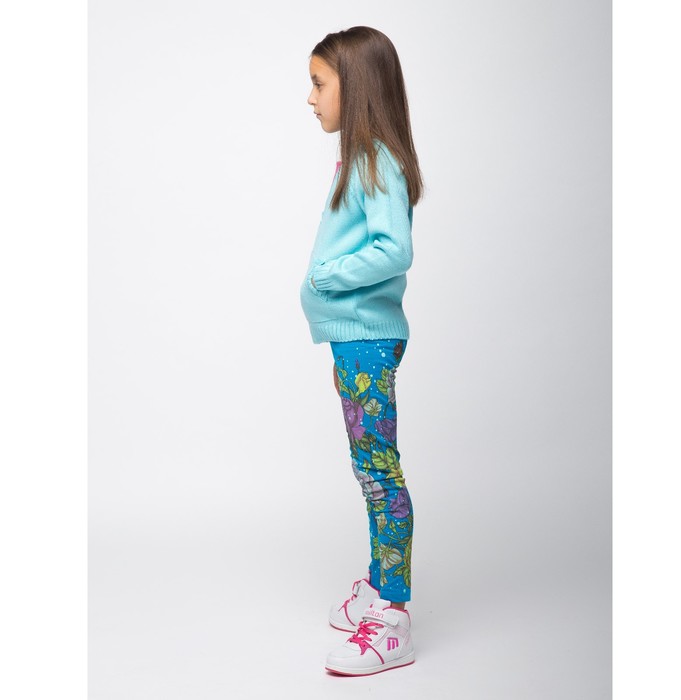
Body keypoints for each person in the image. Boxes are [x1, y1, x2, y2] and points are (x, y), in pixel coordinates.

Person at [300, 26, 424, 676]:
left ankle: (394, 615)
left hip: (368, 341)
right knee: (368, 468)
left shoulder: (377, 159)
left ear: (356, 87)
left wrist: (326, 277)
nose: (310, 98)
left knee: (380, 473)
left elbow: (394, 250)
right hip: (355, 344)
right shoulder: (360, 158)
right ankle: (379, 588)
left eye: (319, 84)